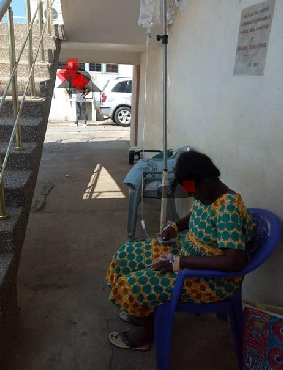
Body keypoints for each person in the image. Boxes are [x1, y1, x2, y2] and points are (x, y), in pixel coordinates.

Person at [106, 150, 256, 351]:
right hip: (186, 250)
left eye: (191, 190)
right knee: (126, 254)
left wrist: (179, 262)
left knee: (133, 285)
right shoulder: (206, 195)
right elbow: (194, 214)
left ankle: (147, 332)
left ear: (205, 182)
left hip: (210, 279)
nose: (190, 194)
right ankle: (140, 312)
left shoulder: (228, 208)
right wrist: (174, 227)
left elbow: (233, 262)